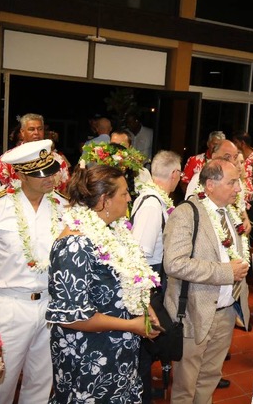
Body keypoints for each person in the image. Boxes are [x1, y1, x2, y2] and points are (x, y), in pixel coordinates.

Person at [46, 164, 161, 403]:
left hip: (117, 354)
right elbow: (72, 317)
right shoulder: (74, 246)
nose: (129, 198)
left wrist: (145, 308)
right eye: (124, 193)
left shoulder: (114, 231)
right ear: (104, 201)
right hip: (89, 359)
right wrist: (131, 326)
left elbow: (125, 281)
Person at [163, 159, 250, 402]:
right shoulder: (186, 213)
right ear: (210, 185)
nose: (238, 188)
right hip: (194, 313)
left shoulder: (230, 213)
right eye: (232, 182)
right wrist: (226, 272)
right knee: (186, 386)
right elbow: (174, 263)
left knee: (210, 379)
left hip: (226, 312)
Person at [0, 140, 68, 404]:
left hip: (49, 304)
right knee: (2, 382)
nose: (50, 178)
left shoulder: (63, 206)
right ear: (21, 175)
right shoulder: (2, 206)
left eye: (52, 171)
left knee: (41, 383)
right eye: (41, 174)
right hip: (10, 305)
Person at [129, 150, 181, 403]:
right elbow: (140, 253)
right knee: (145, 351)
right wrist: (145, 299)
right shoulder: (151, 205)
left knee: (149, 349)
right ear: (175, 174)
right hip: (148, 285)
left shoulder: (156, 200)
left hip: (152, 282)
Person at [0, 113, 71, 195]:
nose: (36, 133)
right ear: (22, 132)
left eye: (40, 129)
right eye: (31, 129)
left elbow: (65, 189)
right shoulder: (7, 159)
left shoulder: (57, 159)